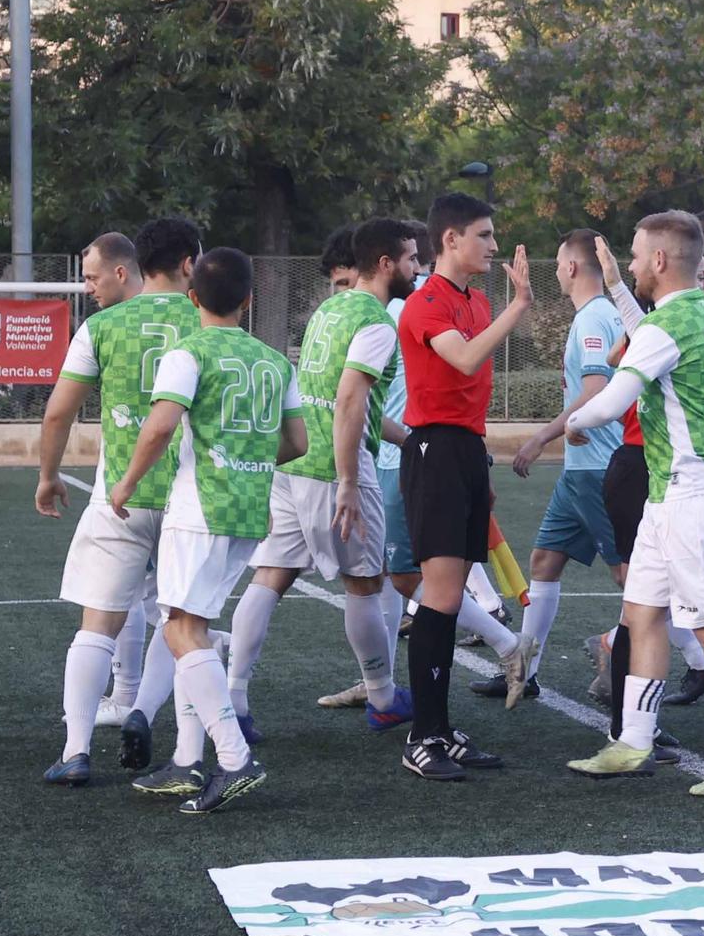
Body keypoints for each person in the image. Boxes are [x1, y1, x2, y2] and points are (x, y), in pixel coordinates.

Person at [562, 211, 704, 796]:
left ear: (659, 261)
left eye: (633, 255)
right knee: (643, 613)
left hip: (693, 493)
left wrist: (573, 424)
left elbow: (613, 399)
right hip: (674, 490)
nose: (629, 263)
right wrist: (615, 285)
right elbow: (654, 333)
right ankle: (634, 740)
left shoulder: (666, 325)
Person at [220, 219, 435, 744]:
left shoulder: (330, 308)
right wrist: (345, 480)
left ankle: (233, 701)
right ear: (385, 263)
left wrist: (410, 442)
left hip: (291, 463)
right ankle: (383, 698)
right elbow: (348, 401)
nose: (416, 269)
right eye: (410, 259)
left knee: (270, 577)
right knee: (366, 582)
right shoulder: (378, 322)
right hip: (333, 468)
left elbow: (338, 399)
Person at [113, 247, 307, 814]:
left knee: (178, 631)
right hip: (250, 510)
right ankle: (184, 761)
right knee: (190, 628)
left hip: (200, 510)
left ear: (192, 296)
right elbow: (297, 444)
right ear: (249, 300)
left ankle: (234, 757)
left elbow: (159, 427)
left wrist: (125, 484)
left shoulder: (188, 353)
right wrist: (249, 462)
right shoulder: (275, 362)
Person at [35, 220, 202, 786]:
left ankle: (76, 750)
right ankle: (143, 713)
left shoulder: (101, 326)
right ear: (188, 264)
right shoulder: (210, 322)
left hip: (120, 496)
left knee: (96, 625)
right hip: (192, 499)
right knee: (181, 621)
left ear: (134, 266)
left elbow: (58, 411)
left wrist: (49, 475)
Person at [393, 191, 534, 781]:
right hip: (434, 452)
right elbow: (468, 360)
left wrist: (482, 469)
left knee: (453, 601)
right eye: (484, 234)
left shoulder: (476, 300)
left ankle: (439, 730)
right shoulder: (424, 305)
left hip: (467, 452)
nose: (494, 245)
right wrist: (520, 304)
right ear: (450, 240)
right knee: (442, 596)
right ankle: (421, 736)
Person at [499, 229, 630, 707]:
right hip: (580, 470)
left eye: (557, 262)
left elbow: (595, 388)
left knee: (631, 577)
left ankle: (634, 657)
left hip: (597, 469)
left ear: (572, 268)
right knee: (544, 562)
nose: (555, 269)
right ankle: (524, 670)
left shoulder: (595, 318)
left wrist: (540, 436)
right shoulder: (594, 316)